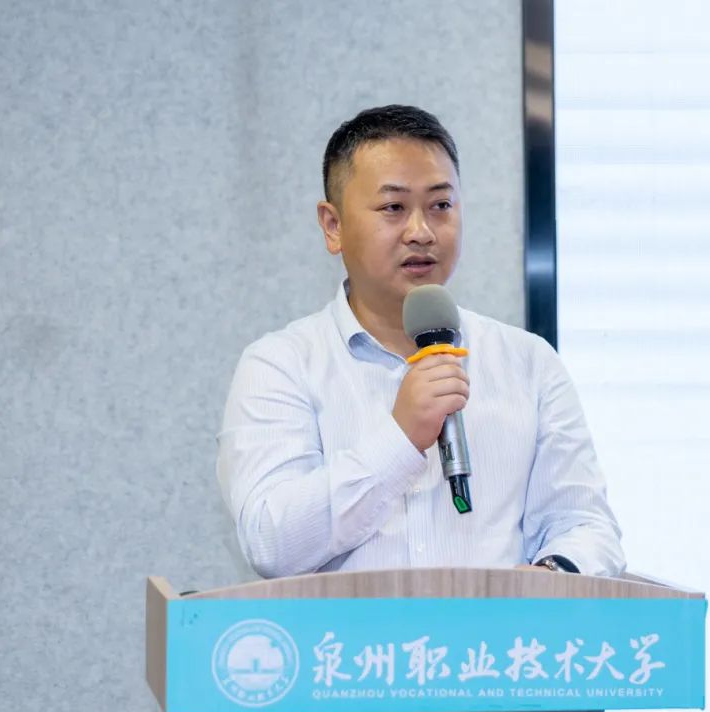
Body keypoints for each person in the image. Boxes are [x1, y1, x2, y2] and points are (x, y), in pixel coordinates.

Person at [217, 105, 624, 578]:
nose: (422, 232)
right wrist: (401, 438)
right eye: (394, 208)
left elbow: (586, 524)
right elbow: (271, 543)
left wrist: (554, 574)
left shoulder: (528, 363)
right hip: (353, 630)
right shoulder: (280, 366)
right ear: (333, 226)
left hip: (493, 628)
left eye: (440, 206)